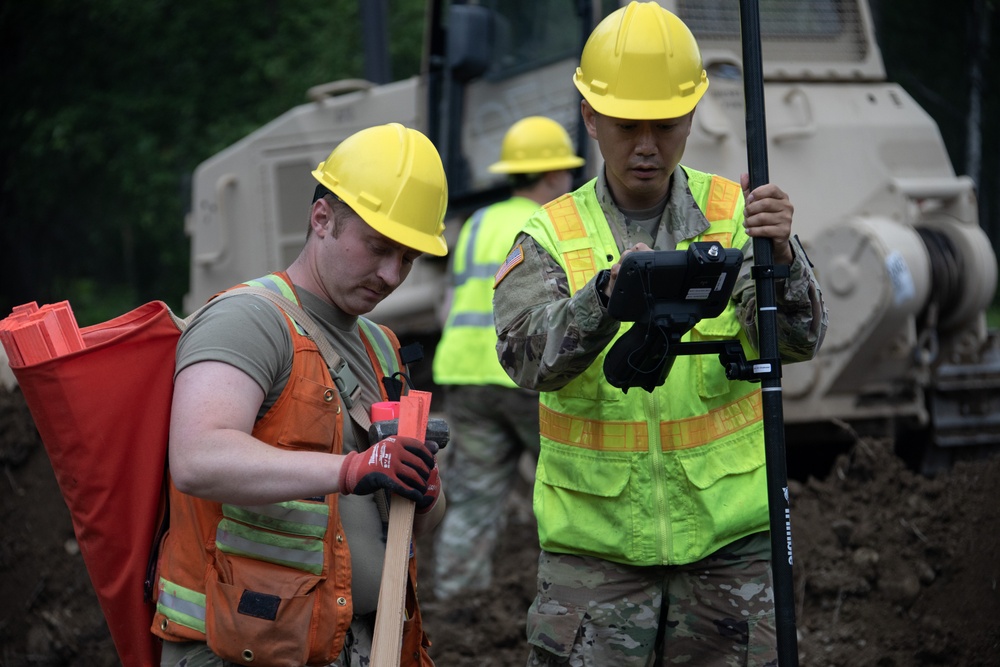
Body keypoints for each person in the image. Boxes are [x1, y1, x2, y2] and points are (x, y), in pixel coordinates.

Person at [491, 3, 829, 666]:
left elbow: (799, 339)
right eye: (626, 125)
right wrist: (603, 300)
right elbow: (526, 358)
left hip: (730, 548)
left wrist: (782, 257)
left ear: (692, 117)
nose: (646, 144)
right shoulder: (550, 236)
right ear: (590, 117)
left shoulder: (736, 214)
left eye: (666, 124)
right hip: (596, 558)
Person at [151, 123, 449, 667]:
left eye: (407, 259)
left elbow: (412, 521)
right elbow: (197, 459)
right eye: (379, 247)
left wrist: (423, 487)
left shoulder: (381, 346)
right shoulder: (248, 319)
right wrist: (352, 469)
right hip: (240, 648)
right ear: (321, 219)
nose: (390, 275)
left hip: (358, 642)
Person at [431, 116, 585, 600]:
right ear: (553, 175)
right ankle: (581, 592)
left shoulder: (477, 222)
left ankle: (456, 601)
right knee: (576, 491)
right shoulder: (548, 223)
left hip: (465, 376)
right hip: (526, 375)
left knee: (474, 498)